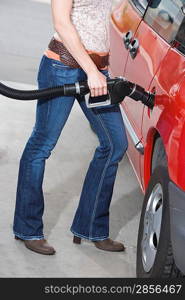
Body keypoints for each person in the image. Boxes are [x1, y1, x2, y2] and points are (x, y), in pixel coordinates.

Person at [13, 0, 128, 255]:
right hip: (62, 67)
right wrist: (92, 72)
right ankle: (27, 229)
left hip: (98, 71)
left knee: (115, 144)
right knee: (42, 145)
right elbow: (62, 23)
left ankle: (90, 228)